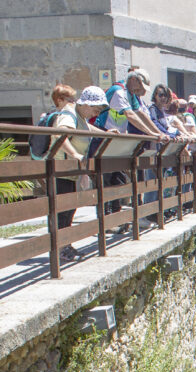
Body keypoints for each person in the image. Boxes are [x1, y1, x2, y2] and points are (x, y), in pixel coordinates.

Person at [95, 69, 168, 217]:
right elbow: (130, 115)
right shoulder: (119, 91)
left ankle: (115, 218)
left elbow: (141, 114)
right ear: (133, 80)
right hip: (104, 137)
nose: (141, 91)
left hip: (117, 140)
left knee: (119, 180)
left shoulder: (130, 94)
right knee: (106, 180)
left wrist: (159, 133)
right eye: (140, 86)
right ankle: (106, 219)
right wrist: (152, 134)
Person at [50, 84, 110, 261]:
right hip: (60, 170)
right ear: (87, 104)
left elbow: (87, 129)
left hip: (69, 171)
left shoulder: (80, 117)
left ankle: (65, 246)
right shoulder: (69, 114)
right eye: (96, 109)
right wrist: (75, 154)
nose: (97, 113)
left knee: (69, 210)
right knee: (63, 211)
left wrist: (106, 133)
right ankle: (61, 249)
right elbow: (60, 134)